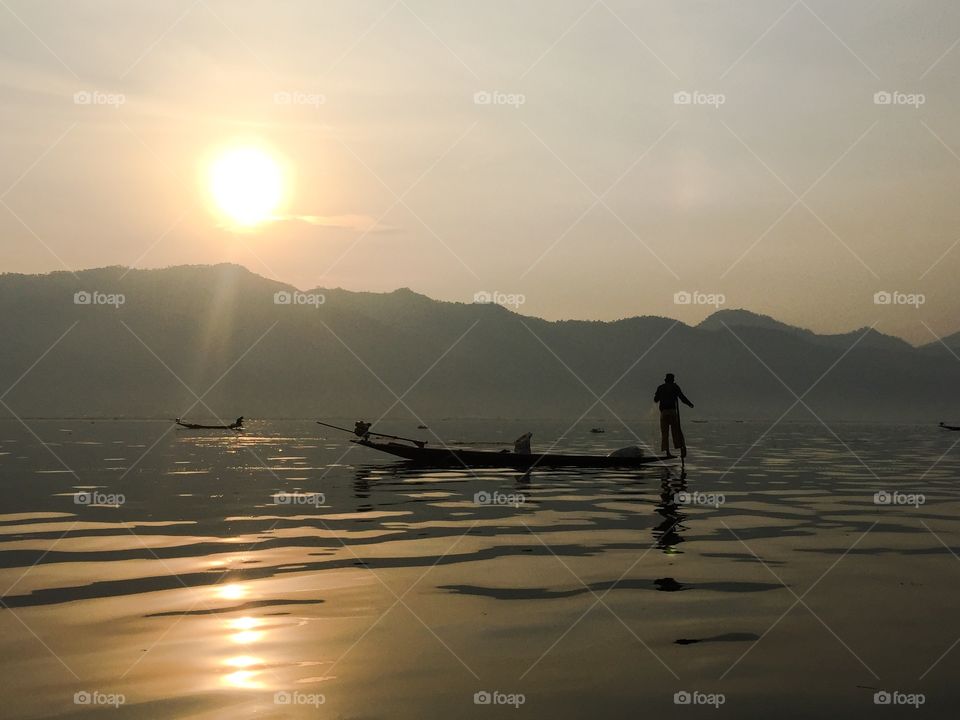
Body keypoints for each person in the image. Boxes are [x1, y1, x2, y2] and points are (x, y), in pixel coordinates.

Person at [654, 373, 694, 458]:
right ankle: (682, 450)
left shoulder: (661, 388)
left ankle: (667, 452)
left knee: (665, 433)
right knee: (676, 431)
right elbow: (682, 397)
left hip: (664, 412)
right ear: (672, 380)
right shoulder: (674, 387)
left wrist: (661, 396)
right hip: (672, 411)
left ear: (666, 380)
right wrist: (689, 404)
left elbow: (655, 400)